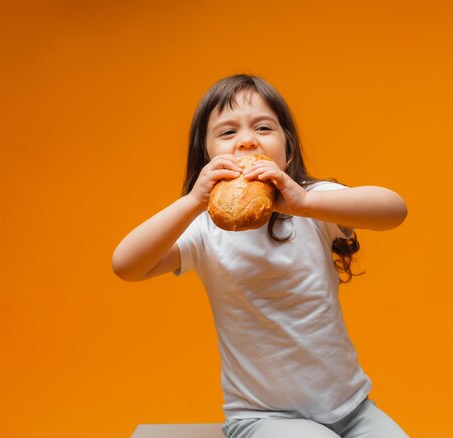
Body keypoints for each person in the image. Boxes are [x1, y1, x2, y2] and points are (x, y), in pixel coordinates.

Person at [112, 74, 409, 437]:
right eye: (227, 133)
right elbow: (126, 265)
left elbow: (393, 210)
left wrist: (303, 202)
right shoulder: (204, 227)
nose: (247, 140)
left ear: (288, 150)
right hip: (265, 418)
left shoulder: (312, 204)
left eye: (264, 127)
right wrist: (192, 201)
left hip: (351, 408)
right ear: (205, 157)